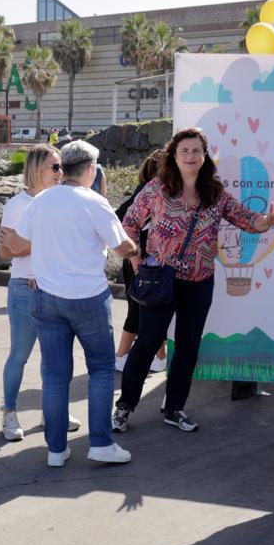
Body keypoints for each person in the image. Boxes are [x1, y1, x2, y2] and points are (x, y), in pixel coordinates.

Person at [113, 127, 274, 434]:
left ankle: (174, 407)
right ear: (174, 156)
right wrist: (136, 259)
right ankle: (125, 406)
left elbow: (244, 218)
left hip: (200, 281)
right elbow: (129, 222)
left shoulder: (214, 193)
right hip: (161, 280)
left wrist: (266, 222)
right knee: (149, 342)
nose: (191, 156)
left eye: (196, 151)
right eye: (185, 151)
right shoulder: (157, 189)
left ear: (204, 156)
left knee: (189, 347)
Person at [0, 140, 137, 466]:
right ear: (90, 169)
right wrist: (135, 248)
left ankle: (56, 449)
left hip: (47, 298)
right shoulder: (94, 202)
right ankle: (101, 443)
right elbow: (123, 247)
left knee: (55, 374)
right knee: (101, 370)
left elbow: (16, 242)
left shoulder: (41, 202)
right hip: (88, 298)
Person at [0, 144, 80, 441]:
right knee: (19, 355)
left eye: (63, 168)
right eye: (55, 167)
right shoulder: (18, 205)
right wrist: (48, 244)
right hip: (25, 288)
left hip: (54, 287)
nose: (61, 173)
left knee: (54, 357)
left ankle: (52, 411)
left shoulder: (61, 200)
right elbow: (6, 250)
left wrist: (37, 244)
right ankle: (9, 413)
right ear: (37, 170)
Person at [113, 148, 168, 377]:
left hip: (139, 260)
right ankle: (121, 356)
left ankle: (161, 357)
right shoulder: (146, 193)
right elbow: (120, 219)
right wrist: (136, 257)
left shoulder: (145, 190)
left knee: (151, 309)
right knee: (139, 310)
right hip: (140, 262)